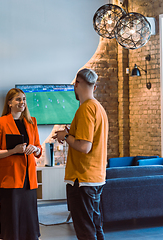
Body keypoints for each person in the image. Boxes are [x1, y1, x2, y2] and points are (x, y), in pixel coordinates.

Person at [53, 68, 109, 240]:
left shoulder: (85, 109)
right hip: (95, 177)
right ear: (95, 85)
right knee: (95, 227)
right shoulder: (98, 108)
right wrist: (72, 136)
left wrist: (65, 136)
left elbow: (85, 146)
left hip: (82, 178)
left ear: (77, 83)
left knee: (85, 231)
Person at [0, 88, 42, 240]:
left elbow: (39, 149)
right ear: (9, 103)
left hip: (29, 179)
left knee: (29, 219)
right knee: (12, 221)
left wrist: (35, 149)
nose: (22, 102)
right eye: (18, 99)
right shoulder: (0, 122)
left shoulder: (32, 122)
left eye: (24, 99)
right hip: (10, 179)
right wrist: (13, 151)